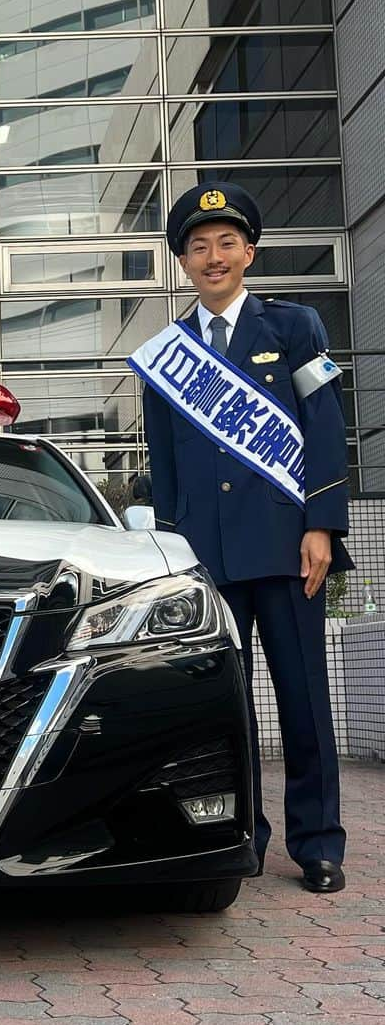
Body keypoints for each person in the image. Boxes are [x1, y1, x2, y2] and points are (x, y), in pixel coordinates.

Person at [134, 181, 353, 894]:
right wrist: (170, 550)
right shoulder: (167, 355)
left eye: (227, 242)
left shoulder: (295, 328)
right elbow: (164, 466)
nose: (214, 255)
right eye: (199, 247)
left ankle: (317, 842)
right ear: (184, 262)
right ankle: (239, 837)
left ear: (249, 251)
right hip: (208, 560)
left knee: (303, 701)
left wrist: (322, 524)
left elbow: (323, 430)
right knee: (225, 707)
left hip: (288, 551)